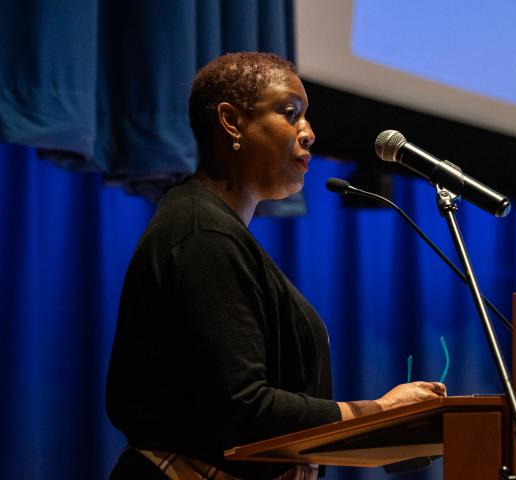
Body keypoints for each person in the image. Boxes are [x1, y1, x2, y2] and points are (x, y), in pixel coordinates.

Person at [106, 52, 446, 480]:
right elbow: (241, 407)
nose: (309, 133)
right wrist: (376, 411)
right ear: (231, 122)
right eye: (290, 114)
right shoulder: (203, 234)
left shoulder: (217, 230)